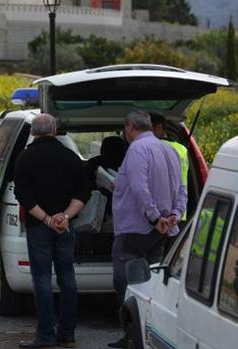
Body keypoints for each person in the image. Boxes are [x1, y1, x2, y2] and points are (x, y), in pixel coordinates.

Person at [108, 111, 186, 348]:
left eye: (125, 129)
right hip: (162, 229)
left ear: (130, 127)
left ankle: (131, 332)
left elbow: (140, 189)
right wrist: (174, 215)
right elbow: (182, 187)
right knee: (150, 280)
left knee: (127, 280)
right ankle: (147, 329)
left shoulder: (136, 150)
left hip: (137, 228)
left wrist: (153, 217)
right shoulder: (170, 150)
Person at [13, 114, 90, 349]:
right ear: (55, 130)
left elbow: (23, 195)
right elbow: (83, 192)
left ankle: (45, 335)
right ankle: (67, 333)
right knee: (67, 277)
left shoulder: (25, 158)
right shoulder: (72, 158)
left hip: (39, 227)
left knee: (42, 279)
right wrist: (65, 216)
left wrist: (47, 219)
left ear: (33, 132)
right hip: (65, 226)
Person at [150, 113, 189, 217]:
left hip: (161, 214)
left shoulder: (154, 149)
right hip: (180, 212)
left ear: (158, 128)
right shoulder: (182, 149)